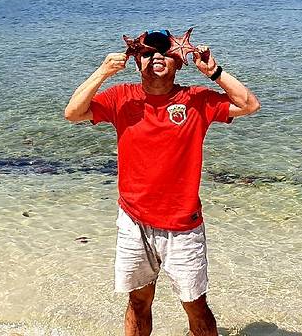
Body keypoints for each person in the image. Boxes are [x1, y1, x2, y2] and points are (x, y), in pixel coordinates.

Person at [64, 29, 260, 336]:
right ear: (137, 62)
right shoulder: (120, 97)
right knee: (138, 301)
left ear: (178, 61)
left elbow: (249, 105)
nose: (156, 56)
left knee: (195, 304)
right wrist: (102, 72)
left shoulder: (196, 100)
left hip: (182, 225)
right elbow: (73, 113)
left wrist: (214, 72)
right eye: (147, 53)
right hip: (134, 221)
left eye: (165, 52)